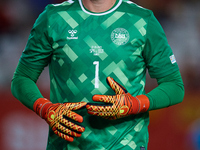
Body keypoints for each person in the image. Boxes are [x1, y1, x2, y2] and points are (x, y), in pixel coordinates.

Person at [11, 0, 185, 149]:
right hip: (66, 145)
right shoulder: (54, 18)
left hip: (125, 145)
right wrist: (45, 108)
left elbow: (174, 86)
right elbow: (22, 78)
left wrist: (136, 104)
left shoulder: (142, 20)